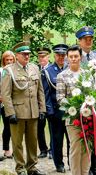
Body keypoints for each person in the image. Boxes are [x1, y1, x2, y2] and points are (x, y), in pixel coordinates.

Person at [1, 42, 46, 175]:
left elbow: (40, 91)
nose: (27, 56)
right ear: (17, 55)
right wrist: (10, 113)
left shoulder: (34, 68)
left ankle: (32, 167)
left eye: (28, 54)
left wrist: (42, 109)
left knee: (32, 142)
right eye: (24, 54)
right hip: (17, 112)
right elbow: (6, 94)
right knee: (17, 143)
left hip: (33, 112)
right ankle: (20, 168)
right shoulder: (9, 70)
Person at [56, 45, 92, 175]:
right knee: (76, 148)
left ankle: (85, 172)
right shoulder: (62, 76)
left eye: (76, 56)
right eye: (70, 57)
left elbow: (92, 94)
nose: (73, 59)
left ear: (80, 57)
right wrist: (75, 107)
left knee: (87, 148)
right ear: (67, 58)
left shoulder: (87, 74)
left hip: (88, 118)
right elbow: (60, 98)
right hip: (73, 118)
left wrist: (89, 105)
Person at [76, 27, 96, 175]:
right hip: (80, 102)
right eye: (85, 39)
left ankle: (94, 167)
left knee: (95, 133)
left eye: (90, 39)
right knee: (82, 135)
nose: (88, 41)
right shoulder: (74, 56)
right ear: (79, 41)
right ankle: (80, 167)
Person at [41, 44, 70, 173]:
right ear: (54, 55)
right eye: (58, 55)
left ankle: (72, 161)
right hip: (55, 111)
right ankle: (59, 164)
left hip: (71, 112)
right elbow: (45, 94)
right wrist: (49, 111)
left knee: (71, 139)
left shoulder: (71, 69)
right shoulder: (48, 71)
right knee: (57, 140)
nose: (61, 57)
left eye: (63, 55)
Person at [0, 51, 16, 161]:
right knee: (6, 126)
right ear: (3, 61)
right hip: (3, 103)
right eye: (7, 60)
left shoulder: (16, 71)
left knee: (12, 127)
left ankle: (12, 149)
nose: (9, 62)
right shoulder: (1, 71)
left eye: (11, 60)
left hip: (13, 103)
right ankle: (5, 150)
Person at [36, 47, 52, 159]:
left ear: (48, 57)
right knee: (39, 128)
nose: (42, 58)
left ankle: (52, 150)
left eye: (44, 56)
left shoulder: (52, 69)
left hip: (50, 103)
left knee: (52, 129)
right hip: (38, 104)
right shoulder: (35, 69)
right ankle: (43, 150)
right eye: (40, 56)